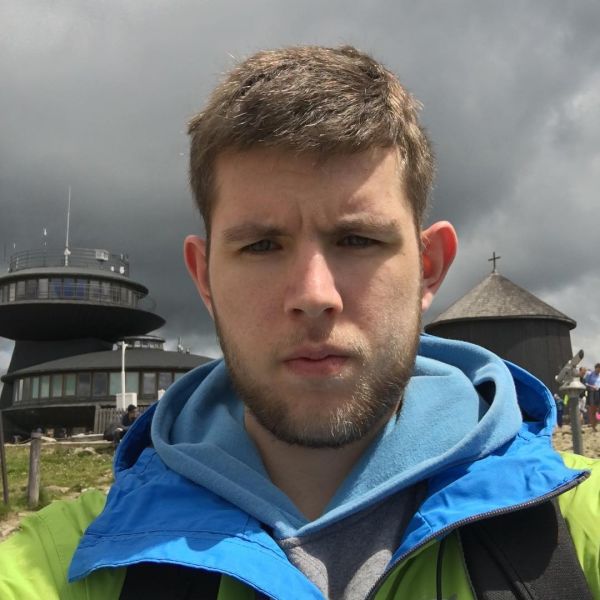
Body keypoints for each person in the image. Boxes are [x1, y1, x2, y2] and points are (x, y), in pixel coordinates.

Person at [0, 45, 598, 600]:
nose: (314, 296)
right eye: (261, 245)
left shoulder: (576, 527)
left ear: (429, 268)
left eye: (357, 240)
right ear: (205, 278)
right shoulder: (63, 562)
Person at [584, 363, 600, 432]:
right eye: (598, 369)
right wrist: (591, 386)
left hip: (599, 392)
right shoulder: (590, 374)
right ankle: (593, 426)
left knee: (598, 409)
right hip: (592, 393)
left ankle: (596, 421)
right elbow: (585, 383)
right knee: (592, 409)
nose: (599, 371)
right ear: (595, 368)